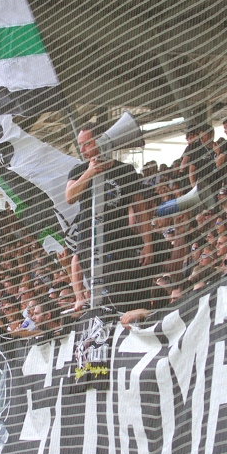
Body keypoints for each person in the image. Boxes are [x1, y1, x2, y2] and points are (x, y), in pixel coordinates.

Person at [65, 122, 161, 313]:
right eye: (80, 144)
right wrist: (90, 172)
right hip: (89, 245)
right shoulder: (78, 170)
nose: (82, 149)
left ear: (100, 141)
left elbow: (140, 209)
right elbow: (69, 196)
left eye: (87, 143)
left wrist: (147, 243)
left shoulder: (125, 172)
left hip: (118, 244)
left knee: (120, 296)